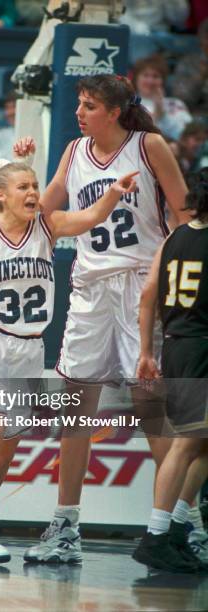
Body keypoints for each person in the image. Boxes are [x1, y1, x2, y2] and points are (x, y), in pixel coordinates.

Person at [15, 74, 189, 563]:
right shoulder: (73, 153)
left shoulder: (148, 145)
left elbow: (182, 217)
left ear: (114, 112)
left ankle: (181, 523)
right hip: (90, 288)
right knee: (76, 407)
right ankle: (65, 524)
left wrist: (168, 281)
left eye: (89, 105)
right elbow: (41, 213)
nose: (80, 112)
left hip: (141, 283)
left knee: (152, 408)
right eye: (79, 104)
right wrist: (21, 166)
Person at [0, 157, 139, 564]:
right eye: (24, 187)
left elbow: (90, 217)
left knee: (9, 447)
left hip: (30, 347)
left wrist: (115, 192)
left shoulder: (47, 227)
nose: (33, 193)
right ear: (1, 195)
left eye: (35, 186)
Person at [133, 168, 208, 572]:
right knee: (186, 443)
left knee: (202, 444)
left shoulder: (174, 238)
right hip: (200, 346)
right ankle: (156, 535)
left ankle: (176, 527)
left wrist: (147, 350)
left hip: (178, 345)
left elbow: (148, 296)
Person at [131, 55, 192, 141]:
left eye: (155, 76)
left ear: (163, 80)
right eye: (145, 75)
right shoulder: (128, 104)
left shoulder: (176, 104)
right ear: (136, 78)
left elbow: (185, 136)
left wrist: (162, 113)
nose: (150, 81)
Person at [172, 18, 208, 113]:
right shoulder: (188, 63)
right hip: (197, 117)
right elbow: (180, 100)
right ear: (202, 41)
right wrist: (200, 77)